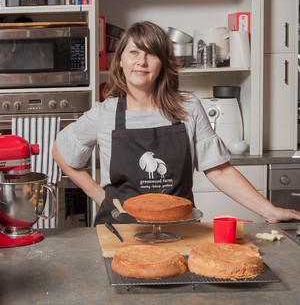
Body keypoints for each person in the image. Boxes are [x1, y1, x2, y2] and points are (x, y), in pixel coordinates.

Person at [52, 21, 300, 225]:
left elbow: (220, 170)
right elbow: (60, 151)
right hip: (120, 230)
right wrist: (99, 195)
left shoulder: (188, 107)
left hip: (179, 229)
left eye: (151, 54)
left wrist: (268, 210)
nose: (141, 61)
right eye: (134, 52)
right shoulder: (104, 113)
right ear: (120, 61)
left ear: (163, 63)